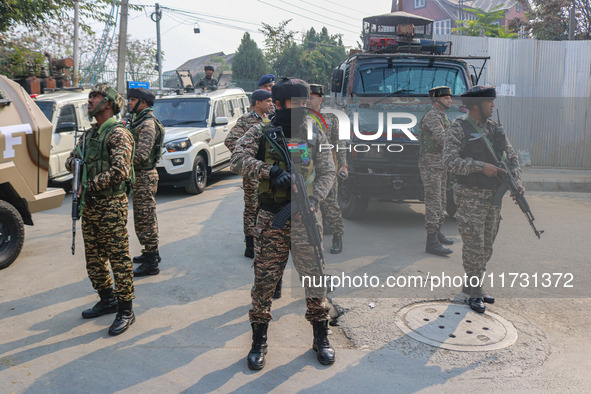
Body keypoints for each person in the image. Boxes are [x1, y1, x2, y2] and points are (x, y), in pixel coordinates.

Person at [230, 77, 336, 370]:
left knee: (315, 278)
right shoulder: (261, 131)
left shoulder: (314, 133)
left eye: (305, 103)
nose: (303, 108)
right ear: (278, 104)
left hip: (306, 216)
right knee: (264, 283)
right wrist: (269, 171)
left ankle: (321, 338)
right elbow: (237, 158)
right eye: (297, 104)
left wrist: (315, 201)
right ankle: (258, 341)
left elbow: (328, 170)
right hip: (271, 218)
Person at [443, 85, 524, 313]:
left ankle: (471, 284)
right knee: (473, 245)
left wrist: (516, 181)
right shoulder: (459, 129)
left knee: (487, 244)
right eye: (490, 102)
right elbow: (449, 161)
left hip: (493, 198)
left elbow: (512, 157)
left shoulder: (496, 130)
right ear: (476, 106)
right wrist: (480, 167)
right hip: (470, 196)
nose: (493, 106)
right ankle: (475, 290)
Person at [65, 83, 136, 336]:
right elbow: (70, 159)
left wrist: (87, 184)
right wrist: (75, 165)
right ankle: (107, 299)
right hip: (92, 206)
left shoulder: (118, 134)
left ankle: (126, 310)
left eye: (95, 96)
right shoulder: (89, 135)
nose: (90, 100)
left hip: (111, 206)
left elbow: (120, 171)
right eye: (90, 96)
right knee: (94, 259)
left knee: (118, 258)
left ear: (108, 103)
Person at [225, 89, 273, 260]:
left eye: (271, 100)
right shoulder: (246, 121)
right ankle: (250, 243)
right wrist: (249, 157)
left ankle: (267, 240)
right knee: (252, 208)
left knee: (269, 207)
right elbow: (230, 140)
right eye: (267, 101)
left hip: (271, 172)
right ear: (257, 103)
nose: (271, 104)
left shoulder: (273, 117)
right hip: (253, 174)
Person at [126, 88, 165, 277]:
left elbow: (141, 155)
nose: (129, 103)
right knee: (143, 218)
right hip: (140, 176)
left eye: (133, 100)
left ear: (143, 102)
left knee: (145, 219)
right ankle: (150, 253)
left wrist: (120, 159)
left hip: (144, 176)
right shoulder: (139, 121)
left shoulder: (148, 124)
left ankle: (151, 263)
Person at [308, 83, 347, 254]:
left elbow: (340, 142)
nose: (307, 101)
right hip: (308, 168)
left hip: (327, 168)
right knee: (309, 203)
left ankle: (338, 235)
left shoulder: (331, 116)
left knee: (331, 204)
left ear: (320, 98)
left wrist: (343, 164)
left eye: (311, 97)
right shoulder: (301, 116)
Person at [419, 86, 454, 257]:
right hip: (431, 165)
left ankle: (438, 233)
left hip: (441, 165)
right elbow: (442, 139)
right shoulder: (432, 116)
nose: (450, 101)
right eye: (447, 98)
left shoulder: (442, 116)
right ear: (437, 100)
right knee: (433, 203)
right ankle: (431, 241)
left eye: (450, 98)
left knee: (441, 201)